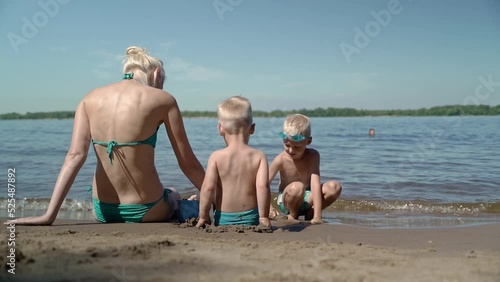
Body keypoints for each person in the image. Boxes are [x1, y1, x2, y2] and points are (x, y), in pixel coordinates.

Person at [5, 46, 205, 225]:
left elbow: (75, 156)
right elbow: (188, 163)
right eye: (161, 82)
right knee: (174, 193)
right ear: (157, 73)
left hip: (102, 211)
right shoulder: (164, 99)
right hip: (148, 210)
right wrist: (221, 202)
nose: (160, 87)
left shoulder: (89, 98)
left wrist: (49, 216)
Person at [196, 96, 272, 229]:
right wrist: (264, 217)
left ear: (220, 129)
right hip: (251, 218)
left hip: (223, 219)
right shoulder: (259, 157)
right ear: (252, 128)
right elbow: (263, 187)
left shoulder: (216, 157)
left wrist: (203, 216)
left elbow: (208, 188)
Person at [268, 114, 342, 224]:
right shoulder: (280, 160)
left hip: (307, 197)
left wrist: (318, 216)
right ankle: (292, 215)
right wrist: (269, 208)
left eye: (297, 147)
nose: (291, 150)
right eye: (287, 145)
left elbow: (315, 184)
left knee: (334, 187)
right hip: (287, 199)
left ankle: (311, 214)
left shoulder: (313, 156)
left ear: (308, 141)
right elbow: (263, 184)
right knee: (297, 187)